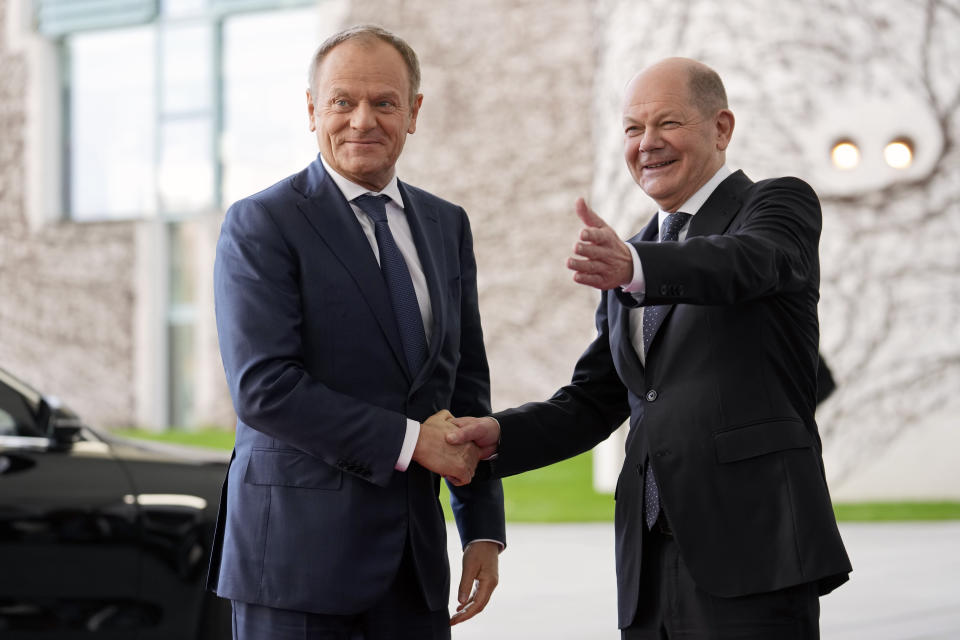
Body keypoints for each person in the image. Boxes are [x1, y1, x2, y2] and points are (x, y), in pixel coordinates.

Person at [449, 57, 851, 637]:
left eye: (668, 123)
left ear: (721, 128)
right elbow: (592, 403)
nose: (647, 144)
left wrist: (636, 267)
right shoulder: (633, 254)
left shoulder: (774, 206)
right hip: (649, 564)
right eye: (633, 129)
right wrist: (500, 437)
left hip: (754, 547)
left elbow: (745, 264)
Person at [207, 24, 505, 640]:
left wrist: (481, 526)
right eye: (343, 101)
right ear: (313, 110)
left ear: (414, 112)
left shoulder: (446, 224)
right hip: (295, 565)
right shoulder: (262, 224)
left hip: (414, 568)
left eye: (385, 102)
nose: (362, 120)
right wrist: (410, 442)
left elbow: (465, 384)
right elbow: (264, 388)